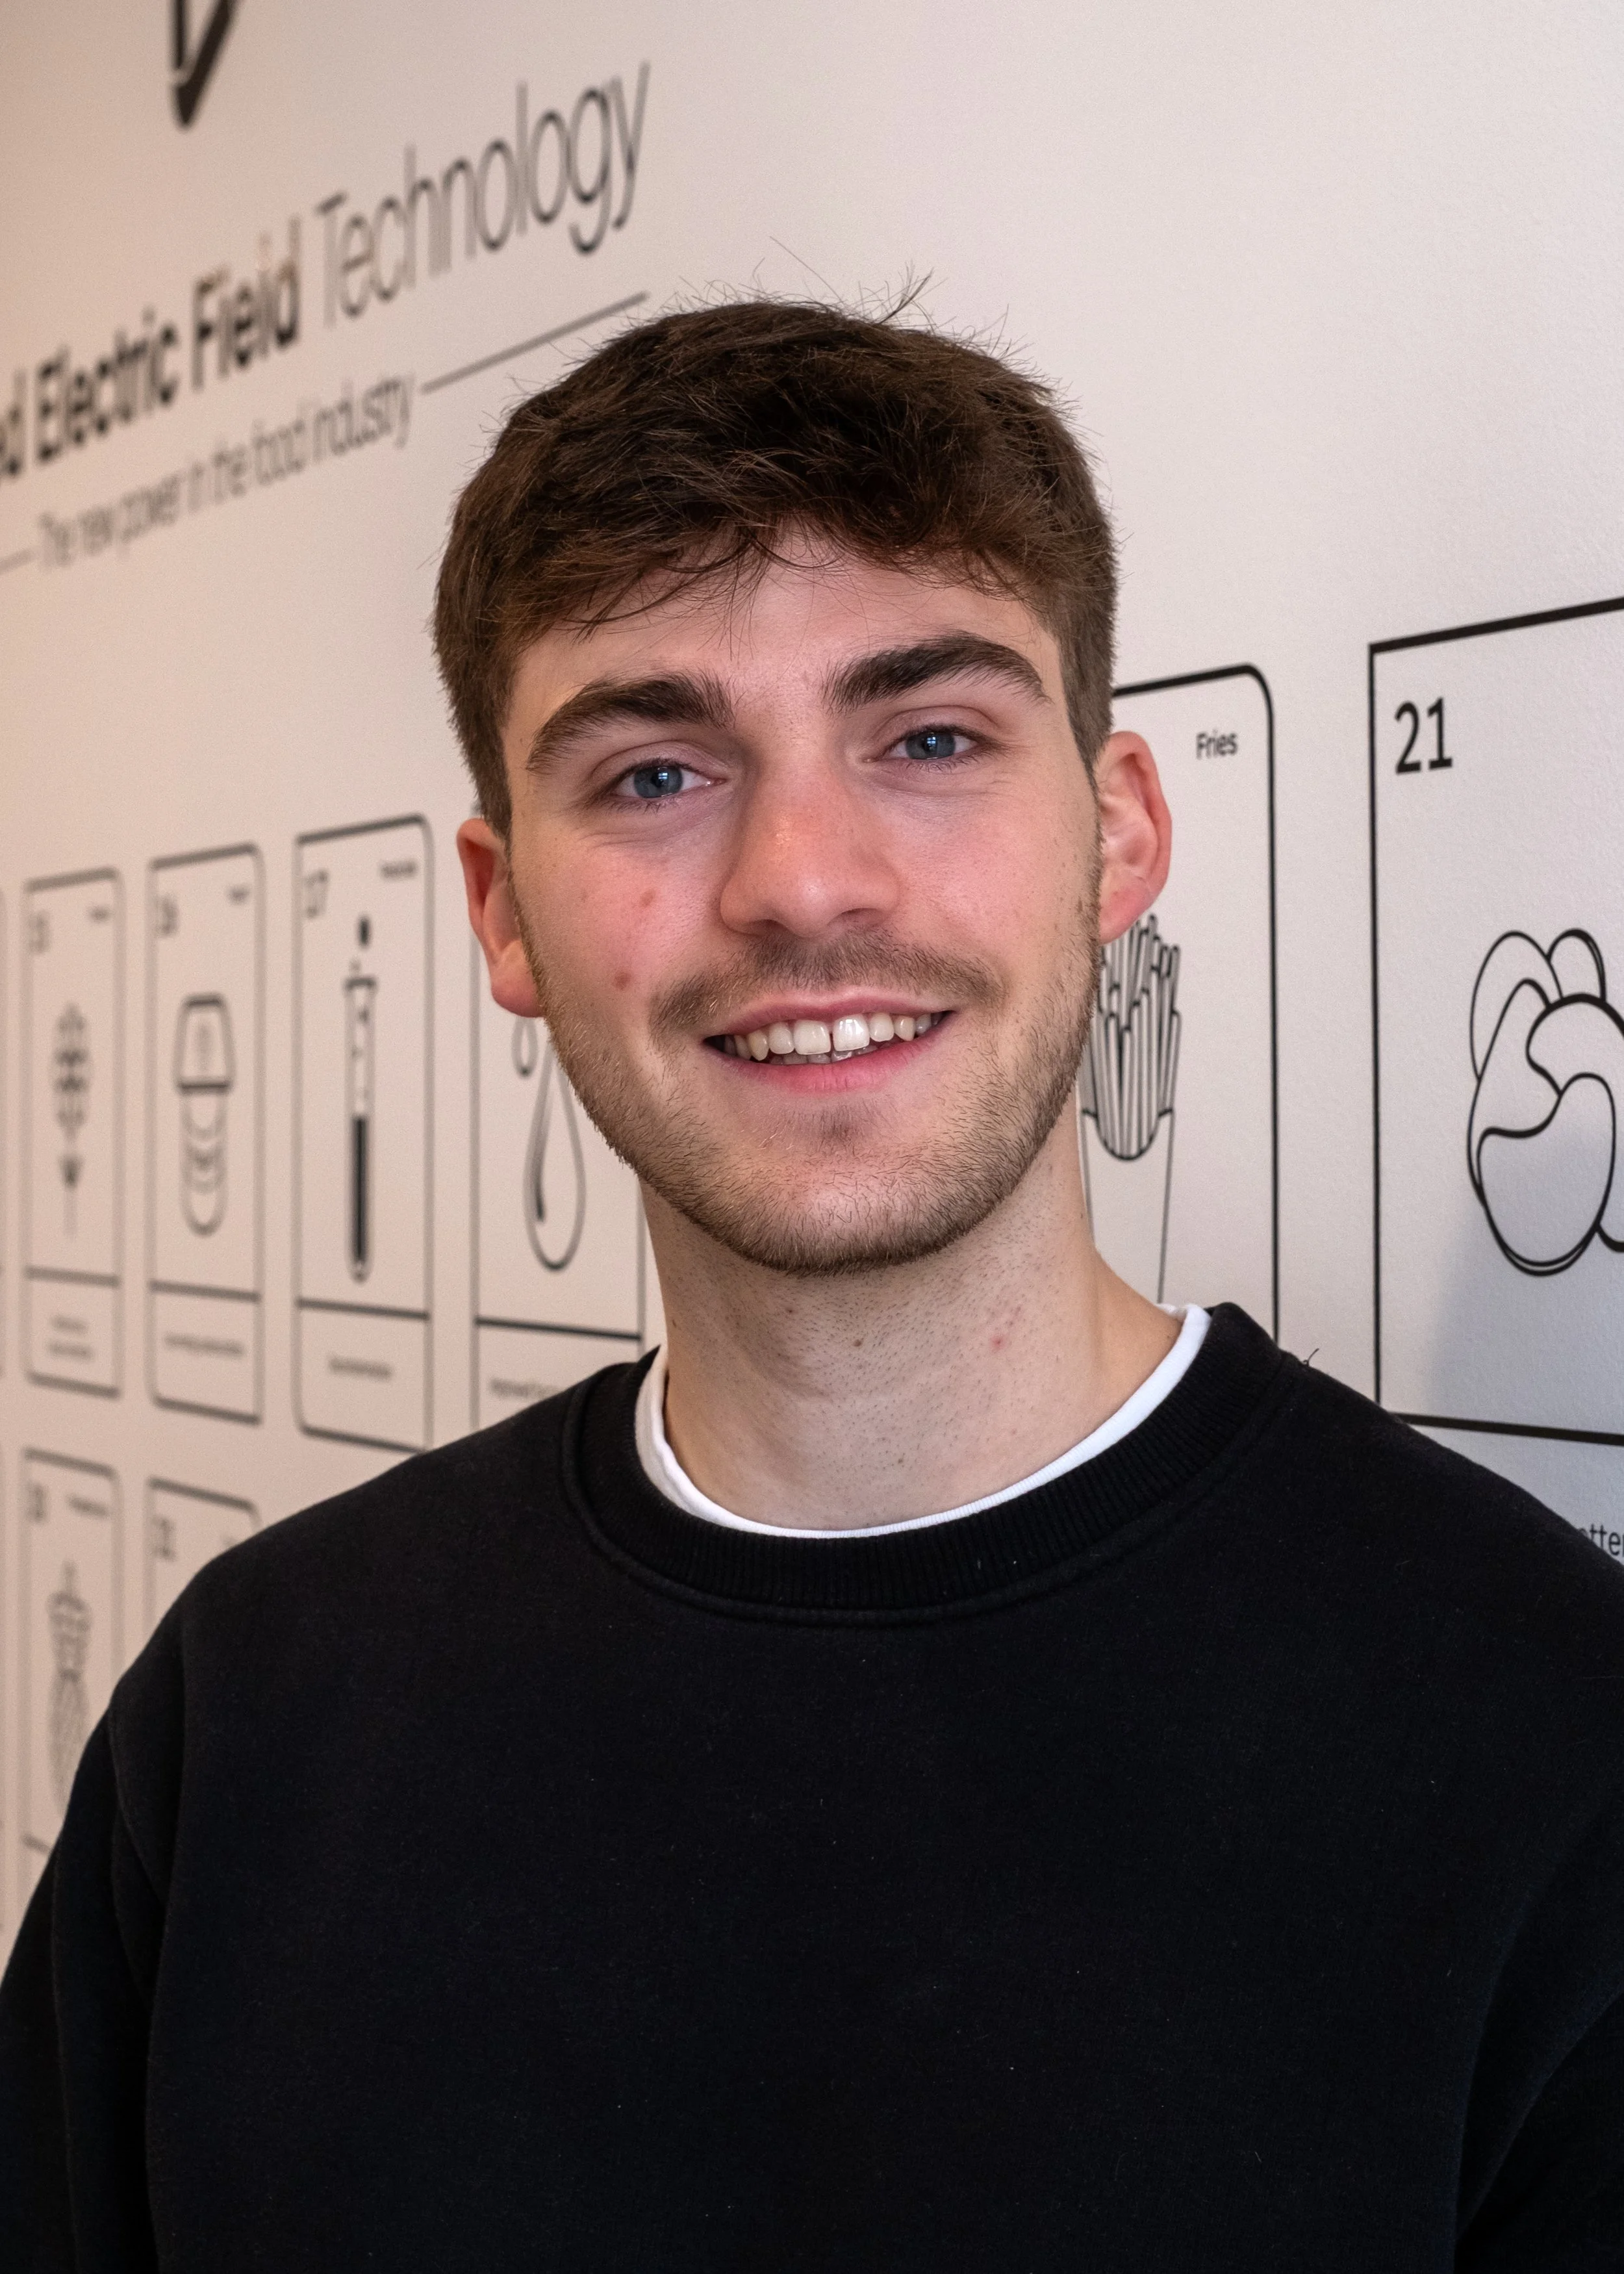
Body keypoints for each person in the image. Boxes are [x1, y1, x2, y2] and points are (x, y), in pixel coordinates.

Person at [4, 300, 1623, 2271]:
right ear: (503, 912)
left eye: (929, 739)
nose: (801, 879)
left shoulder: (1550, 1746)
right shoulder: (250, 1718)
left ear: (1118, 832)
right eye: (653, 774)